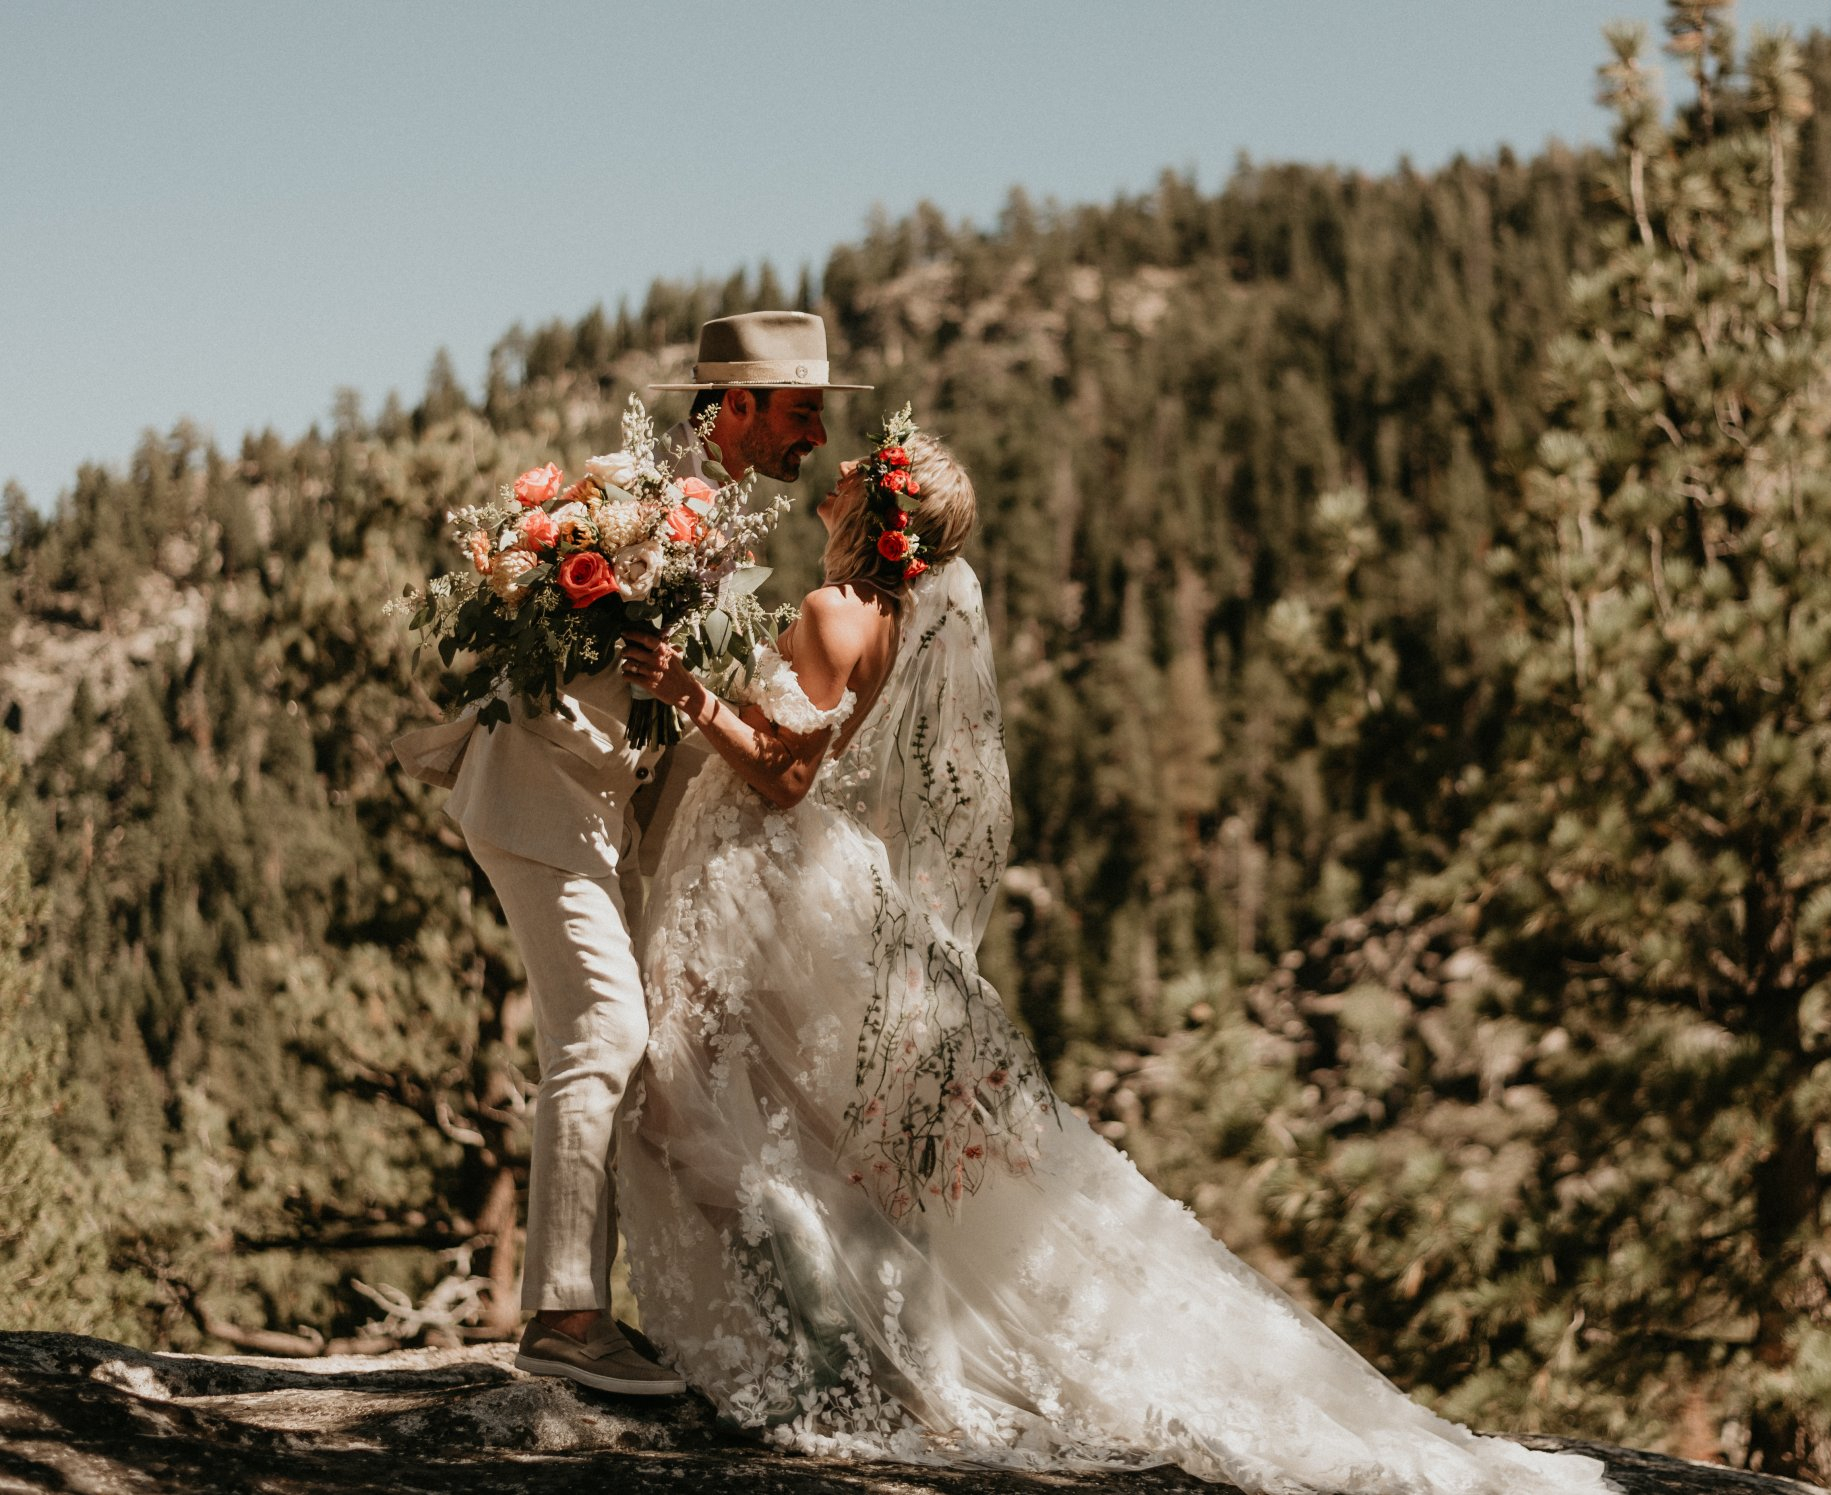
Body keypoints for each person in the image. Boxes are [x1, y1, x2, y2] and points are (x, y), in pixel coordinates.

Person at [609, 423, 1612, 1495]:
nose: (845, 463)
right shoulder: (899, 617)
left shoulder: (829, 612)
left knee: (701, 1115)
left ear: (879, 512)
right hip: (805, 886)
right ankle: (849, 1350)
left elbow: (786, 774)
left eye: (865, 463)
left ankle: (827, 1360)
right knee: (778, 1128)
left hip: (774, 884)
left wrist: (687, 693)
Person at [392, 311, 866, 1395]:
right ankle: (562, 1319)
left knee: (603, 1035)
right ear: (734, 404)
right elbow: (559, 642)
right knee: (605, 1028)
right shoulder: (645, 506)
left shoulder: (721, 525)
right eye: (800, 414)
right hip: (535, 795)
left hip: (596, 821)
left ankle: (577, 1307)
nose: (812, 438)